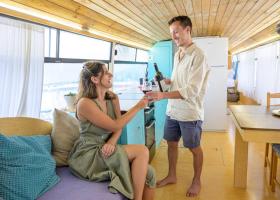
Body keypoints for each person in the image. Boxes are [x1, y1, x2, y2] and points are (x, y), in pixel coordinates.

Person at [68, 61, 156, 200]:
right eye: (106, 72)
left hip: (105, 148)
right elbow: (115, 125)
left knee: (150, 172)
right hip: (89, 154)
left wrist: (112, 142)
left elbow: (118, 126)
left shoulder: (113, 98)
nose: (111, 74)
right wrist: (139, 106)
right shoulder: (85, 103)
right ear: (95, 79)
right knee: (142, 150)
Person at [146, 16, 210, 197]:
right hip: (172, 111)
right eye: (171, 33)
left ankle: (197, 180)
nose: (173, 36)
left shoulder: (199, 56)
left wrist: (162, 95)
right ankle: (171, 175)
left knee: (194, 148)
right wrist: (167, 81)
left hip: (190, 113)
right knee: (171, 144)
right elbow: (177, 82)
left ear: (187, 30)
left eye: (176, 31)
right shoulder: (177, 54)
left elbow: (191, 90)